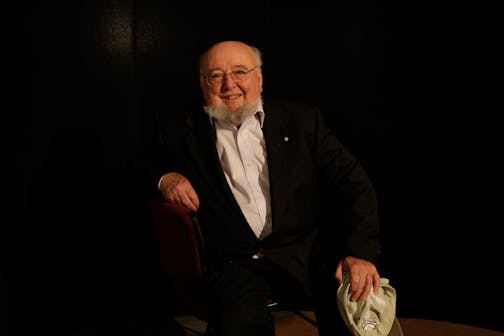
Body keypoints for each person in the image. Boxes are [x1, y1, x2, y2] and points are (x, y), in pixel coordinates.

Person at [134, 40, 382, 336]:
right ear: (203, 85)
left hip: (303, 252)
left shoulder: (302, 120)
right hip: (235, 262)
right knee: (238, 327)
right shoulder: (179, 127)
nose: (229, 84)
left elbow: (356, 184)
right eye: (216, 75)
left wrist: (360, 253)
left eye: (240, 71)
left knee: (356, 318)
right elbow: (137, 166)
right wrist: (166, 178)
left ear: (259, 79)